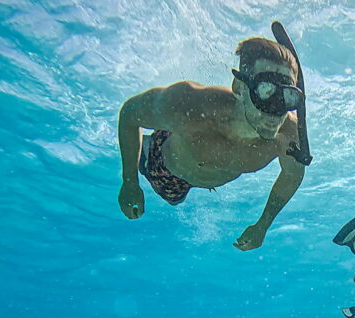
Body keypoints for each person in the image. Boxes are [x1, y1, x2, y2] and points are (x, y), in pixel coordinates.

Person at [116, 34, 308, 251]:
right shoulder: (189, 105)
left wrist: (263, 225)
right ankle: (147, 147)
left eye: (288, 96)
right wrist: (130, 181)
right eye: (266, 90)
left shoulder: (289, 135)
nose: (276, 109)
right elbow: (130, 115)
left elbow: (292, 175)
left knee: (175, 200)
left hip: (205, 175)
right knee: (171, 196)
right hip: (165, 167)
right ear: (239, 87)